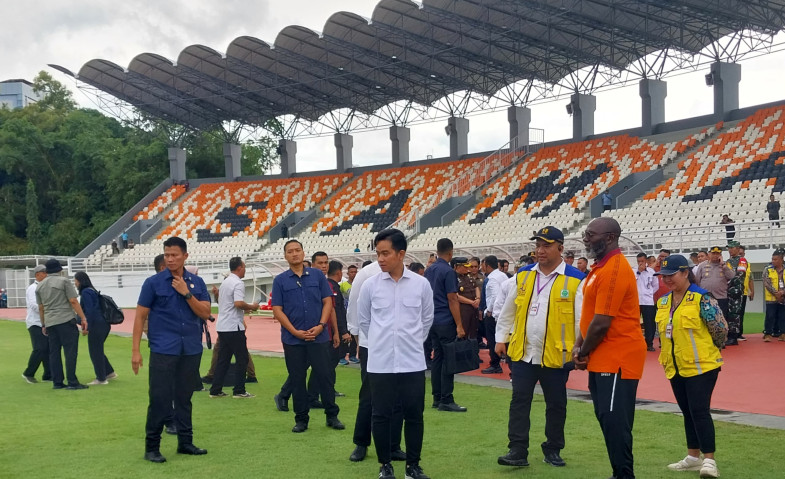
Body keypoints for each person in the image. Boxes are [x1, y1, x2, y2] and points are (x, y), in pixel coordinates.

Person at [495, 226, 585, 469]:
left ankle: (553, 448)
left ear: (560, 248)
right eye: (538, 245)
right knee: (519, 401)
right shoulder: (523, 275)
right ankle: (517, 449)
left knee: (556, 404)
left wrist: (579, 350)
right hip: (524, 352)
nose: (540, 250)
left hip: (557, 354)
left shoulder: (576, 279)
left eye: (546, 245)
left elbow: (580, 320)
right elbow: (508, 310)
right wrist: (501, 338)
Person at [358, 229, 434, 479]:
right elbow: (365, 322)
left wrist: (407, 343)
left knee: (414, 415)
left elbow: (425, 321)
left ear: (401, 254)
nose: (380, 259)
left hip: (412, 362)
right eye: (378, 253)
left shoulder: (421, 285)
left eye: (385, 253)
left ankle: (413, 466)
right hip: (380, 363)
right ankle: (385, 465)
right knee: (380, 415)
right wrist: (384, 343)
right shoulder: (370, 286)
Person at [573, 218, 646, 479]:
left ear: (611, 237)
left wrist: (581, 352)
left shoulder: (614, 269)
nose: (585, 238)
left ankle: (624, 474)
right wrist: (579, 345)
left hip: (617, 358)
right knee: (607, 418)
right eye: (585, 233)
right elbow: (590, 315)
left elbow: (602, 322)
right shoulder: (599, 269)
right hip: (602, 357)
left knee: (615, 421)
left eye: (591, 234)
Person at [131, 237, 211, 463]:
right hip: (163, 349)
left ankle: (185, 442)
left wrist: (186, 293)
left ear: (185, 256)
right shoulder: (153, 283)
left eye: (174, 255)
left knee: (184, 397)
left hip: (190, 349)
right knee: (159, 398)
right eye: (167, 255)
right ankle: (152, 447)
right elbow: (140, 317)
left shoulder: (196, 283)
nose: (170, 259)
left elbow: (205, 312)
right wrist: (135, 350)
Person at [654, 255, 727, 479]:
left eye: (671, 275)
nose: (667, 280)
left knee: (699, 411)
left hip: (702, 366)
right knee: (687, 412)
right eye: (663, 276)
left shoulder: (701, 298)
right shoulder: (664, 301)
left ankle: (710, 461)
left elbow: (720, 329)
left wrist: (709, 350)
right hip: (675, 366)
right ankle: (693, 457)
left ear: (685, 273)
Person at [271, 240, 344, 433]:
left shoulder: (318, 276)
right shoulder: (280, 280)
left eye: (297, 250)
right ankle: (301, 419)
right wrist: (294, 331)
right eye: (290, 251)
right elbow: (277, 309)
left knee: (325, 377)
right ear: (285, 256)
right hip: (293, 340)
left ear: (303, 253)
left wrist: (321, 326)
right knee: (297, 379)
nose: (294, 254)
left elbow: (328, 302)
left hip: (319, 337)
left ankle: (332, 415)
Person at [346, 260, 406, 464]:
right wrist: (359, 338)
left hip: (400, 345)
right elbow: (355, 309)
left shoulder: (407, 276)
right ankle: (361, 443)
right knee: (370, 395)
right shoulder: (366, 274)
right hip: (371, 345)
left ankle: (393, 445)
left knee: (398, 395)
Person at [424, 238, 467, 412]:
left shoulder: (429, 270)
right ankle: (447, 399)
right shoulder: (448, 271)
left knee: (437, 359)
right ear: (451, 253)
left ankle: (437, 397)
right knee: (448, 360)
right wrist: (459, 325)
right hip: (445, 320)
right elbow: (452, 299)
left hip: (432, 319)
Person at [209, 257, 259, 399]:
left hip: (223, 325)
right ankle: (239, 390)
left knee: (223, 359)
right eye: (244, 267)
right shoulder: (238, 283)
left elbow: (227, 303)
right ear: (239, 267)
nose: (245, 270)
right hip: (234, 326)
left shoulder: (225, 282)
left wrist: (244, 308)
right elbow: (238, 303)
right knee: (242, 358)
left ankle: (216, 389)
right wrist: (252, 307)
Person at [36, 258, 89, 390]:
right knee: (70, 351)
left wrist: (43, 324)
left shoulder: (40, 285)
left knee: (54, 352)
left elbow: (41, 307)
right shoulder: (64, 281)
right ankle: (72, 381)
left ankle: (57, 381)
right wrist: (83, 317)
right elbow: (73, 301)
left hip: (50, 321)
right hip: (65, 319)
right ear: (59, 269)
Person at [74, 271, 116, 385]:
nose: (75, 283)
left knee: (95, 351)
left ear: (80, 281)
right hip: (103, 324)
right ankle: (109, 372)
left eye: (76, 280)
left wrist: (86, 327)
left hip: (96, 325)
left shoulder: (86, 293)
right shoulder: (92, 291)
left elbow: (90, 311)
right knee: (98, 349)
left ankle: (101, 378)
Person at [22, 265, 50, 383]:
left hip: (44, 322)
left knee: (47, 349)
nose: (46, 275)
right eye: (44, 273)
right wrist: (47, 309)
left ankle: (48, 374)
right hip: (35, 323)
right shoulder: (33, 288)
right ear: (37, 274)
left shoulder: (44, 287)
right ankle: (28, 373)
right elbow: (35, 306)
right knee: (40, 348)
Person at [695, 246, 734, 328]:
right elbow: (697, 280)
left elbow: (731, 276)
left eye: (718, 254)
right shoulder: (702, 265)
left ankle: (722, 338)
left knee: (721, 320)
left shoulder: (725, 265)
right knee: (706, 318)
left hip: (721, 297)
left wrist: (723, 265)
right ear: (709, 254)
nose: (715, 255)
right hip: (706, 297)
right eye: (713, 253)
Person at [481, 255, 508, 375]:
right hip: (503, 312)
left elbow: (494, 296)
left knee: (492, 340)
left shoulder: (492, 279)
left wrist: (489, 310)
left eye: (483, 265)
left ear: (487, 265)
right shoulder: (502, 275)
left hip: (494, 314)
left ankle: (495, 364)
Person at [723, 240, 748, 346]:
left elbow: (740, 274)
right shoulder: (727, 261)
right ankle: (728, 335)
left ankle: (734, 336)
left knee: (735, 313)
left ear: (738, 249)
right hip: (726, 290)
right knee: (727, 313)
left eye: (732, 248)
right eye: (729, 248)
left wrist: (729, 282)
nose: (730, 250)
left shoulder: (742, 260)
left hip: (736, 290)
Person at [634, 253, 658, 351]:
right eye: (639, 261)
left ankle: (649, 343)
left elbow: (655, 285)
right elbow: (631, 282)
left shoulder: (651, 271)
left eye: (642, 261)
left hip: (648, 301)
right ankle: (635, 342)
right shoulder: (633, 271)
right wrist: (639, 272)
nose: (640, 263)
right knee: (635, 322)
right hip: (636, 300)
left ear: (646, 261)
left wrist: (650, 293)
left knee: (649, 322)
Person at [454, 257, 480, 340]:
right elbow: (456, 296)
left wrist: (478, 299)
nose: (467, 268)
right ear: (458, 267)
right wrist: (471, 302)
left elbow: (476, 287)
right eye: (465, 267)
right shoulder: (454, 278)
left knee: (473, 332)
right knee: (464, 334)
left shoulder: (468, 276)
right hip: (463, 310)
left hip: (473, 309)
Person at [763, 249, 785, 342]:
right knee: (770, 316)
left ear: (781, 259)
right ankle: (768, 334)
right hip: (771, 298)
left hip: (783, 297)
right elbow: (766, 283)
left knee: (782, 316)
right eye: (772, 259)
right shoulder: (767, 269)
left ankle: (782, 333)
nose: (773, 261)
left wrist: (782, 292)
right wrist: (776, 293)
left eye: (775, 259)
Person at [738, 245, 754, 340]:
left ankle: (739, 333)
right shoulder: (731, 263)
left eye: (742, 253)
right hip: (734, 293)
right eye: (739, 253)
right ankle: (732, 334)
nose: (740, 255)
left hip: (743, 292)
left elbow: (750, 278)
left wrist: (752, 291)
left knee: (741, 314)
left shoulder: (747, 264)